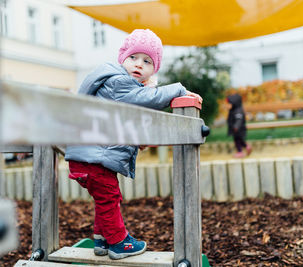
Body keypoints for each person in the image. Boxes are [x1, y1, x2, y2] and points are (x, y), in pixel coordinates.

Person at [64, 29, 202, 260]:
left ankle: (102, 240)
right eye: (133, 58)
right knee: (109, 197)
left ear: (154, 68)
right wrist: (177, 89)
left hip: (89, 157)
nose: (139, 64)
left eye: (147, 61)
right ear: (122, 58)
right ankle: (118, 242)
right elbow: (147, 100)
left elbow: (121, 120)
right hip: (93, 158)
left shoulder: (114, 83)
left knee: (107, 197)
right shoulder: (117, 82)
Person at [227, 93, 252, 158]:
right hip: (236, 130)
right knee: (240, 140)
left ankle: (240, 151)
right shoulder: (234, 110)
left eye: (230, 103)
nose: (230, 105)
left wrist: (236, 126)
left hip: (239, 129)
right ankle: (247, 147)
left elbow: (239, 119)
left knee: (238, 141)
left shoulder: (238, 110)